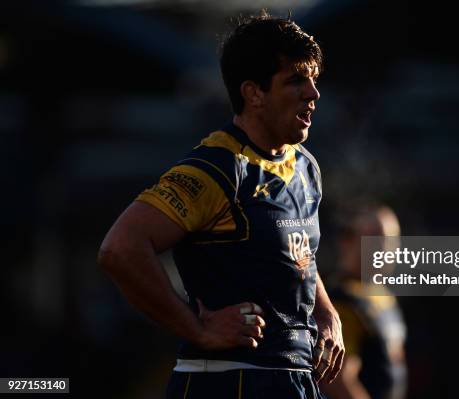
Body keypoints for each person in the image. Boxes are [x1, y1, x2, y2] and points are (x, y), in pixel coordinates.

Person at [97, 11, 343, 399]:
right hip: (230, 378)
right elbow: (120, 249)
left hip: (295, 380)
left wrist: (326, 315)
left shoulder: (305, 166)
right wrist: (198, 329)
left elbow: (300, 259)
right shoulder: (217, 169)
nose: (312, 93)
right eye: (295, 80)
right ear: (253, 93)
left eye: (313, 79)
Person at [321, 204, 407, 399]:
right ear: (347, 241)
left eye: (393, 239)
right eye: (378, 238)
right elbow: (338, 379)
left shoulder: (382, 295)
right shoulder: (341, 301)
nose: (388, 248)